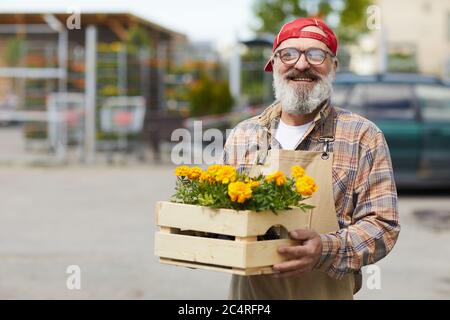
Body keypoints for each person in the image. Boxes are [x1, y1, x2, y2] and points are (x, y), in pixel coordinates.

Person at [222, 17, 400, 300]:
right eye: (289, 54)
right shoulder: (244, 135)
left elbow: (382, 226)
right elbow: (224, 216)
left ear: (334, 66)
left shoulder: (362, 136)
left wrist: (326, 249)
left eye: (316, 55)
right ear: (274, 65)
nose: (301, 64)